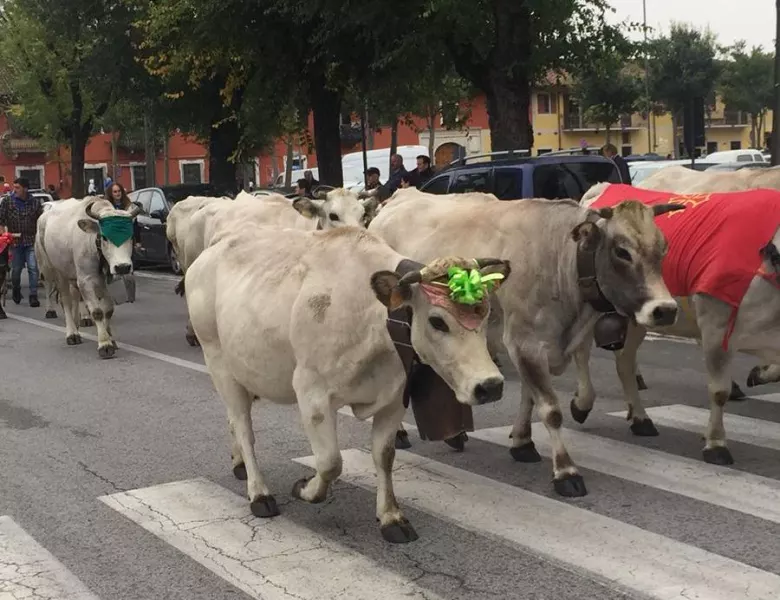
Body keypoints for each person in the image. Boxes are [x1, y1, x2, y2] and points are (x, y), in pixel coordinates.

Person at [0, 177, 42, 307]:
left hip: (31, 240)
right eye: (14, 187)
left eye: (18, 188)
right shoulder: (7, 201)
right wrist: (4, 235)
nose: (15, 190)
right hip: (15, 242)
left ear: (25, 189)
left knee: (33, 268)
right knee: (16, 269)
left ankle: (33, 295)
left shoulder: (34, 202)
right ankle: (16, 289)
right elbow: (0, 220)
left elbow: (40, 220)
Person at [105, 182, 141, 302]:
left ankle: (130, 296)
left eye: (119, 191)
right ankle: (116, 295)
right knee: (112, 270)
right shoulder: (106, 208)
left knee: (129, 268)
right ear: (111, 194)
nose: (117, 194)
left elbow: (135, 226)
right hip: (112, 241)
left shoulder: (130, 207)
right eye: (115, 192)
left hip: (126, 241)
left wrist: (138, 241)